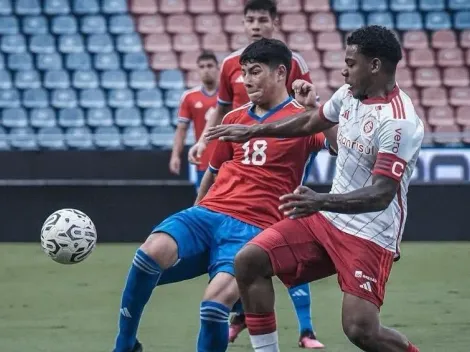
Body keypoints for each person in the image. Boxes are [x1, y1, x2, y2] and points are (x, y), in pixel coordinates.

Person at [205, 25, 423, 352]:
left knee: (360, 330)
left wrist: (320, 200)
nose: (342, 70)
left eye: (350, 63)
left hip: (370, 233)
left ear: (375, 66)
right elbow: (310, 122)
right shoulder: (348, 95)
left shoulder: (399, 122)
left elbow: (381, 194)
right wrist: (254, 131)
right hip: (327, 220)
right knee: (249, 261)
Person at [112, 38, 336, 352]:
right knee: (150, 251)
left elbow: (341, 146)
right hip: (208, 215)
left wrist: (316, 110)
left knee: (213, 306)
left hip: (255, 230)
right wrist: (195, 213)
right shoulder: (234, 119)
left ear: (280, 72)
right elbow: (213, 172)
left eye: (255, 71)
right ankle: (124, 345)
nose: (246, 80)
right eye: (244, 72)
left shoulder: (304, 118)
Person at [189, 0, 323, 347]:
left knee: (279, 244)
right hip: (238, 150)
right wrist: (205, 141)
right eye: (250, 20)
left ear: (274, 23)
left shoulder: (294, 63)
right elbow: (222, 109)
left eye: (262, 19)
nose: (256, 25)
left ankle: (306, 328)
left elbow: (306, 113)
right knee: (242, 255)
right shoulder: (230, 63)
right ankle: (237, 317)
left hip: (279, 157)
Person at [169, 51, 219, 191]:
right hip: (202, 159)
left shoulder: (230, 96)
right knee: (202, 203)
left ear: (218, 68)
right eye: (202, 67)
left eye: (210, 66)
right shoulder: (190, 97)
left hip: (228, 160)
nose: (206, 70)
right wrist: (175, 156)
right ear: (198, 70)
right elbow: (181, 129)